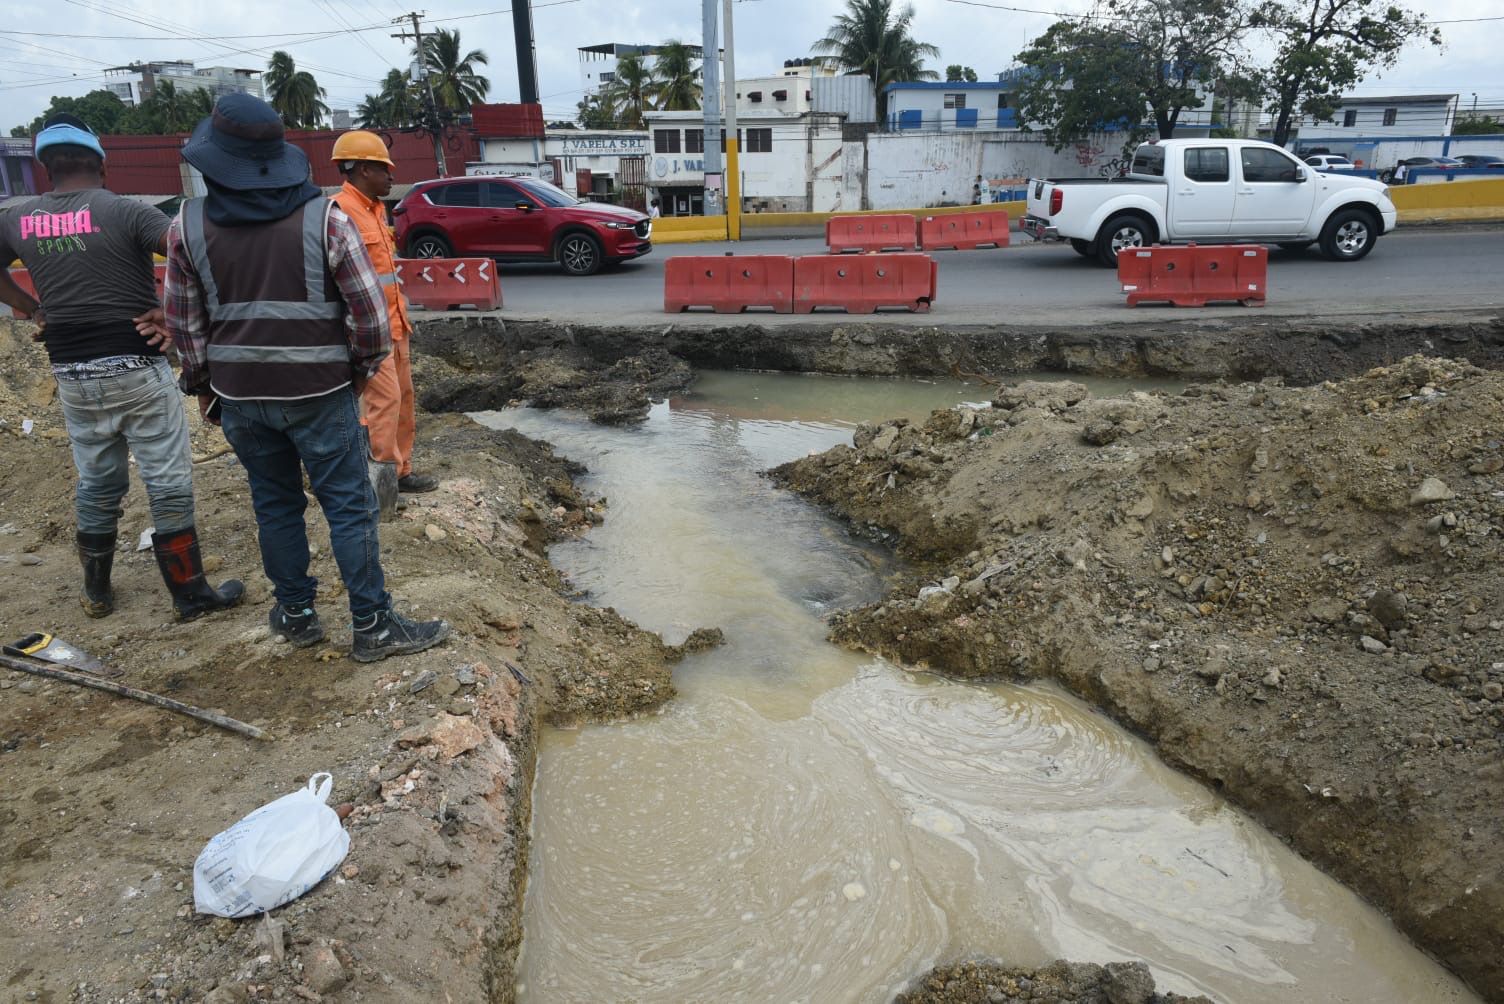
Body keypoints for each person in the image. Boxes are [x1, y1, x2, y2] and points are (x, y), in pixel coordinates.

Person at [164, 94, 449, 662]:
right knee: (347, 507)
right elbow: (368, 319)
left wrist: (205, 390)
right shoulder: (327, 220)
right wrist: (354, 374)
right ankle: (372, 626)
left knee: (274, 506)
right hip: (320, 393)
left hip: (241, 397)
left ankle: (295, 614)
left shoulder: (186, 227)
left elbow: (185, 329)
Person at [0, 114, 243, 622]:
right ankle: (190, 594)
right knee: (166, 477)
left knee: (96, 479)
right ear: (101, 164)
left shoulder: (17, 219)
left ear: (47, 169)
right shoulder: (125, 211)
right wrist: (171, 316)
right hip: (135, 365)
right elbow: (201, 255)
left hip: (71, 373)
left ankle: (96, 592)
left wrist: (32, 309)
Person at [329, 130, 436, 513]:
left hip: (396, 324)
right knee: (383, 404)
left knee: (404, 399)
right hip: (369, 332)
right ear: (359, 169)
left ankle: (401, 472)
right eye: (383, 170)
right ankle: (378, 486)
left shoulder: (376, 209)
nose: (391, 177)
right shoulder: (340, 213)